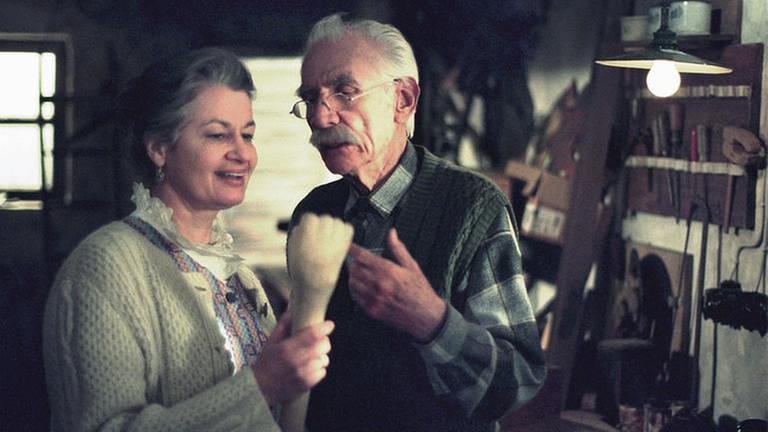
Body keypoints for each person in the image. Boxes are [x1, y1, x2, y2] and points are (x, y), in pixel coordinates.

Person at [42, 47, 334, 432]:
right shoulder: (104, 267)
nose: (242, 153)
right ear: (159, 148)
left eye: (247, 135)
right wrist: (260, 387)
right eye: (217, 135)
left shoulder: (239, 277)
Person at [288, 13, 547, 432]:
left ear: (403, 100)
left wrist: (431, 321)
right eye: (311, 98)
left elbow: (514, 384)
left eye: (344, 92)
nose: (320, 116)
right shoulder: (312, 214)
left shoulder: (473, 207)